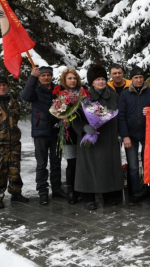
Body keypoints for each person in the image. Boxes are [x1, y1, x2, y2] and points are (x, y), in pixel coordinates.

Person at [72, 65, 124, 210]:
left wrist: (120, 133)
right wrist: (84, 128)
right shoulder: (83, 96)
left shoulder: (113, 95)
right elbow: (74, 118)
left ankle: (109, 195)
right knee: (88, 168)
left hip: (108, 137)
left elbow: (118, 114)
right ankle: (88, 198)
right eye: (97, 79)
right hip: (89, 137)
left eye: (102, 79)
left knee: (107, 166)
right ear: (91, 82)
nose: (101, 82)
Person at [21, 66, 67, 205]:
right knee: (41, 164)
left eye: (48, 75)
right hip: (40, 132)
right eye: (43, 75)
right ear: (39, 77)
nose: (46, 78)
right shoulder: (34, 88)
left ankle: (57, 189)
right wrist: (32, 78)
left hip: (55, 131)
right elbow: (25, 97)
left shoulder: (57, 90)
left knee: (56, 163)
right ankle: (42, 192)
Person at [0, 75, 28, 209]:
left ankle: (16, 193)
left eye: (4, 85)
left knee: (15, 170)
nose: (2, 87)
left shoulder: (13, 102)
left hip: (13, 143)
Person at [118, 67, 150, 205]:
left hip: (148, 134)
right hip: (131, 136)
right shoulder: (125, 95)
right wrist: (125, 136)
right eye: (136, 78)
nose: (139, 80)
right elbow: (121, 117)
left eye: (141, 77)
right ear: (131, 80)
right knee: (133, 166)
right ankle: (135, 193)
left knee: (149, 163)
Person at [55, 69, 84, 204]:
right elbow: (56, 113)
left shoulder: (84, 93)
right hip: (68, 134)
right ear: (64, 81)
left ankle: (83, 189)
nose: (72, 81)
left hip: (83, 133)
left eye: (74, 78)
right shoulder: (60, 95)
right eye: (69, 78)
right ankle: (71, 191)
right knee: (72, 163)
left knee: (83, 163)